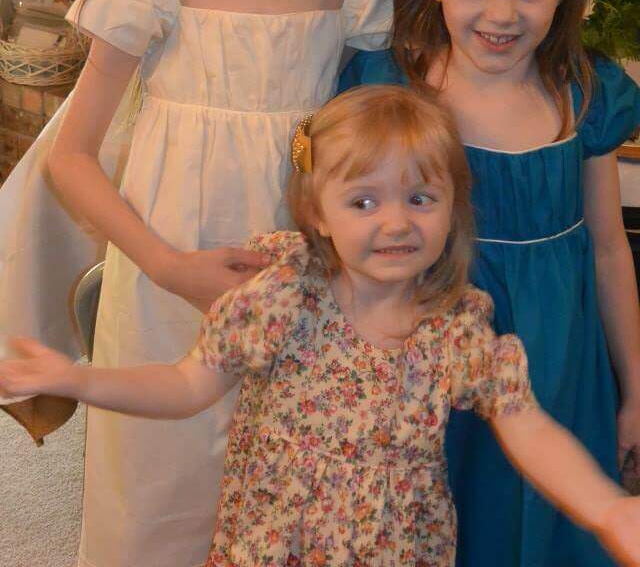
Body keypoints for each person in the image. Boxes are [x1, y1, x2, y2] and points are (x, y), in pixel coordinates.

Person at [0, 0, 397, 567]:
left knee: (293, 492)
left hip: (305, 279)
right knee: (159, 489)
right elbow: (71, 158)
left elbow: (379, 141)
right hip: (163, 271)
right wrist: (172, 267)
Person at [2, 84, 640, 567]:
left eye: (421, 198)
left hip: (399, 550)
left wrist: (607, 506)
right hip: (270, 544)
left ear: (453, 209)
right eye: (364, 201)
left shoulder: (456, 329)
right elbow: (184, 386)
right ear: (319, 213)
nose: (396, 222)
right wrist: (79, 379)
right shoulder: (282, 297)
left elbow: (528, 427)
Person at [338, 0, 640, 567]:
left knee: (547, 515)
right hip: (424, 344)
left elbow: (607, 249)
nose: (503, 14)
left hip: (557, 355)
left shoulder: (583, 93)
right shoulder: (394, 85)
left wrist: (635, 390)